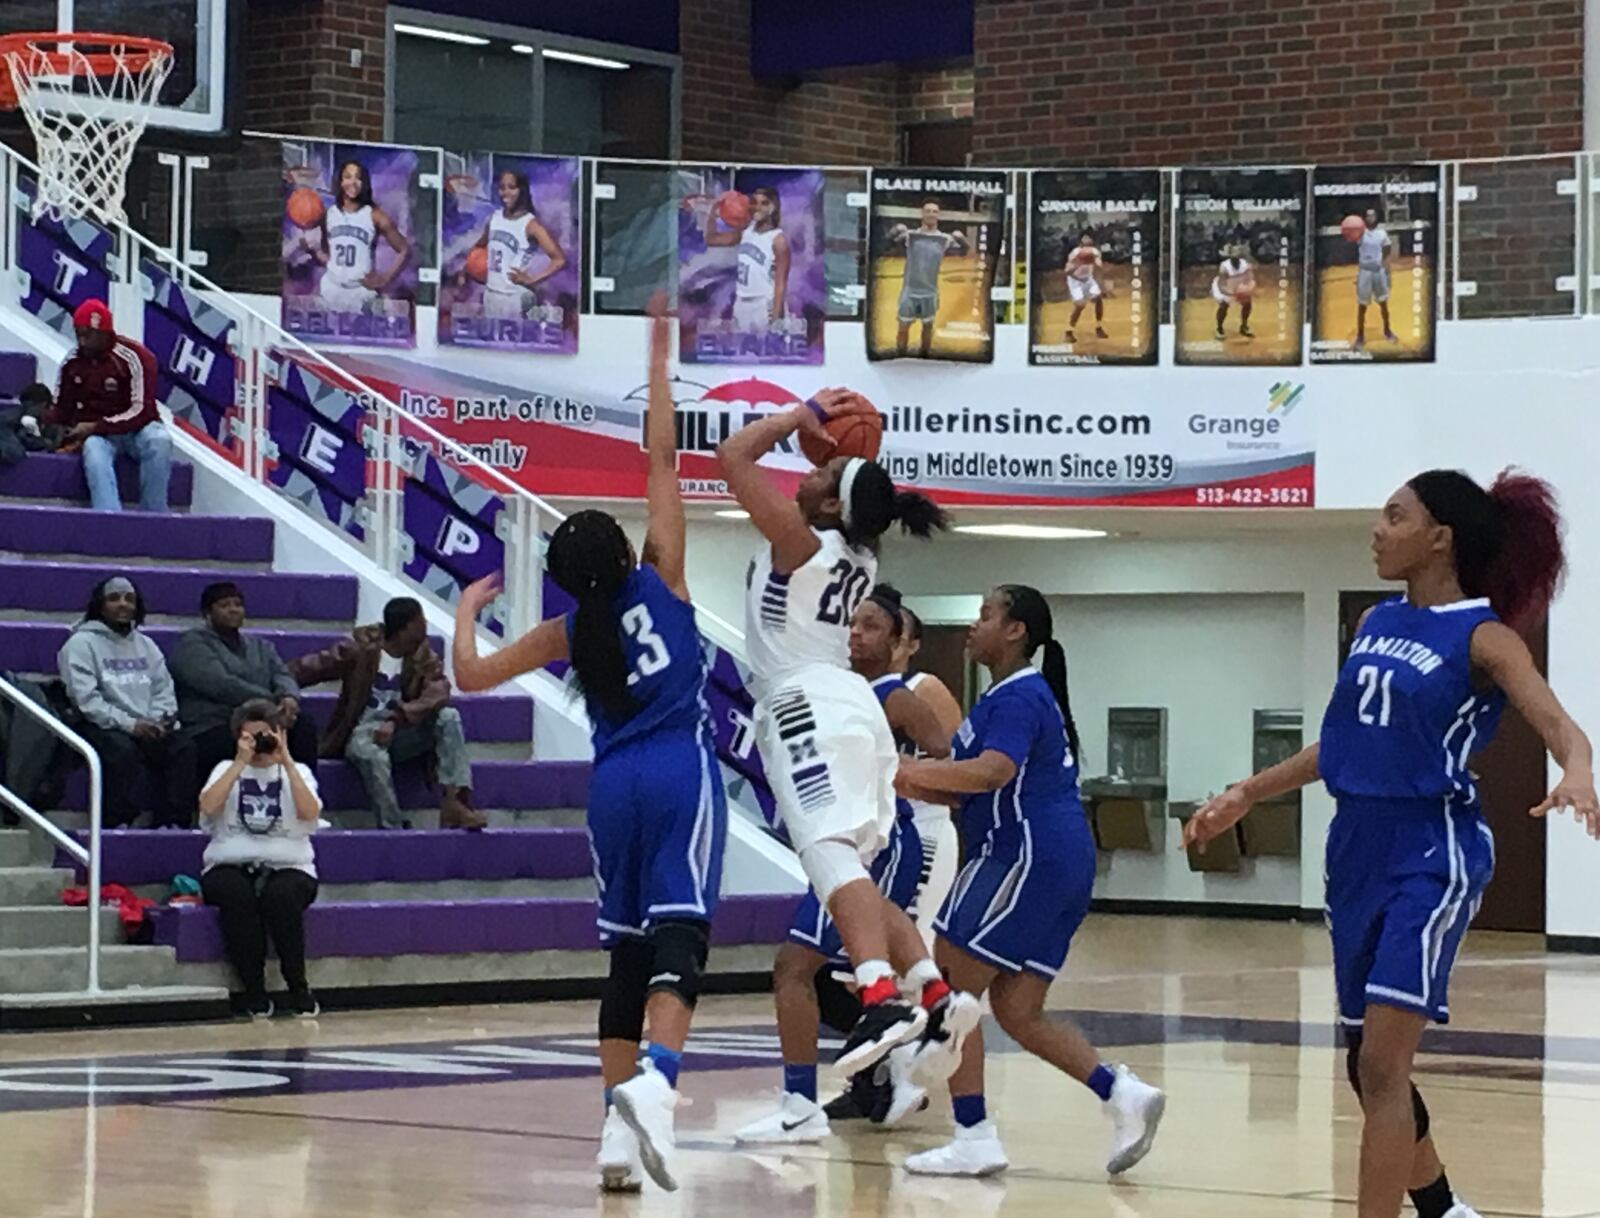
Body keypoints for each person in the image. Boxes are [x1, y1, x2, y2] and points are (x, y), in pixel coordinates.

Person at [1184, 469, 1598, 1218]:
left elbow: (1559, 722)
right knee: (1365, 1067)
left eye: (1394, 515)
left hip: (1431, 852)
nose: (1378, 529)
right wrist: (1246, 791)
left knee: (1381, 1064)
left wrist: (1577, 770)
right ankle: (1441, 1206)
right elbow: (1340, 744)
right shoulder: (1375, 622)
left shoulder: (1484, 635)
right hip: (1354, 850)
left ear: (1439, 537)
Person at [452, 302, 725, 1195]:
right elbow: (659, 454)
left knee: (625, 957)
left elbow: (472, 677)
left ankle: (615, 1137)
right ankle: (659, 1085)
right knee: (684, 937)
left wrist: (462, 613)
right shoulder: (667, 576)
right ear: (626, 546)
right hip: (680, 771)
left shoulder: (564, 634)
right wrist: (657, 352)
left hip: (611, 788)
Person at [717, 386, 978, 1098]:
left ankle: (877, 995)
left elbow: (732, 455)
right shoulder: (853, 555)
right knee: (855, 873)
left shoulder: (802, 544)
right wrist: (835, 453)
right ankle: (930, 990)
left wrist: (794, 420)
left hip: (808, 705)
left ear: (833, 505)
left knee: (830, 855)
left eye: (822, 475)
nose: (806, 471)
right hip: (847, 706)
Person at [896, 586, 1166, 1178]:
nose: (973, 626)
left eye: (986, 615)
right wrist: (905, 782)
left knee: (951, 981)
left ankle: (971, 1133)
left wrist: (912, 768)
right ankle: (1123, 1094)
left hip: (1026, 853)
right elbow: (972, 786)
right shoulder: (1008, 697)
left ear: (1016, 631)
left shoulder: (1019, 695)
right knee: (1018, 1010)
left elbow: (995, 771)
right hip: (1058, 858)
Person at [740, 586, 955, 1143]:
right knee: (838, 977)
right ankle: (897, 1061)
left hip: (881, 840)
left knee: (795, 968)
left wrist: (897, 777)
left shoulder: (896, 694)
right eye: (851, 625)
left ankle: (801, 1102)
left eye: (872, 627)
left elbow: (947, 757)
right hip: (865, 840)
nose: (857, 634)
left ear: (900, 641)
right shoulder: (839, 690)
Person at [289, 598, 482, 831]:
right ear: (405, 628)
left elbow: (438, 693)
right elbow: (313, 666)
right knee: (371, 753)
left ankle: (456, 803)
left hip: (403, 728)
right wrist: (278, 683)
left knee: (449, 716)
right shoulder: (360, 649)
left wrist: (396, 719)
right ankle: (392, 825)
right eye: (420, 620)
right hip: (362, 730)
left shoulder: (425, 657)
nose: (425, 625)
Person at [198, 699, 322, 1019]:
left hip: (290, 864)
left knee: (280, 898)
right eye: (251, 737)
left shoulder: (301, 772)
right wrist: (241, 763)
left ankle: (298, 987)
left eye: (266, 736)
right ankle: (254, 991)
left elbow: (310, 812)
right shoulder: (224, 770)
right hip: (229, 862)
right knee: (236, 897)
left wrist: (288, 763)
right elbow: (208, 806)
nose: (260, 745)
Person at [58, 576, 196, 829]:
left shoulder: (146, 645)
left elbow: (163, 688)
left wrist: (159, 720)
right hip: (100, 723)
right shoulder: (79, 644)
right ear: (100, 605)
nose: (123, 604)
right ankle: (115, 823)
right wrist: (131, 724)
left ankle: (174, 824)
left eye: (129, 599)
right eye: (114, 598)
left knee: (183, 747)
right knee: (121, 751)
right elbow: (86, 700)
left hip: (148, 723)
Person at [171, 582, 318, 798]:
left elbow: (282, 674)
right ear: (207, 613)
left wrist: (288, 697)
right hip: (213, 721)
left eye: (238, 604)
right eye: (224, 605)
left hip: (264, 718)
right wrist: (270, 704)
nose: (233, 609)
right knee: (229, 739)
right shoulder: (191, 643)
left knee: (303, 726)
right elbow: (220, 684)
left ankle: (303, 800)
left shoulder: (261, 646)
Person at [887, 592, 963, 941]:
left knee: (915, 932)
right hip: (877, 828)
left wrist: (908, 774)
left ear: (912, 645)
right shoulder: (854, 687)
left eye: (896, 637)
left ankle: (927, 995)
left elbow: (958, 765)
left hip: (923, 825)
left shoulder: (925, 688)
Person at [47, 299, 171, 513]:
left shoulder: (136, 357)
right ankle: (109, 516)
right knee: (93, 450)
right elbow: (61, 408)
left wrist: (95, 426)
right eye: (79, 334)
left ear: (104, 333)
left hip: (138, 428)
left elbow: (142, 410)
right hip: (101, 436)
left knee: (159, 441)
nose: (83, 342)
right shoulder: (71, 363)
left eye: (88, 335)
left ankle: (154, 514)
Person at [309, 160, 411, 314]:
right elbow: (329, 256)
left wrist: (385, 278)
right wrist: (312, 251)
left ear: (365, 183)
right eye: (348, 177)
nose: (353, 182)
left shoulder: (375, 215)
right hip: (331, 288)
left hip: (361, 291)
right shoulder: (328, 214)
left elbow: (404, 250)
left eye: (358, 178)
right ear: (340, 182)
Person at [475, 168, 566, 320]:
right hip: (491, 293)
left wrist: (532, 280)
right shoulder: (494, 219)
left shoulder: (530, 224)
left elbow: (559, 259)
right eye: (502, 188)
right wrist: (472, 268)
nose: (505, 193)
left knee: (512, 342)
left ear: (521, 190)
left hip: (514, 296)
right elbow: (479, 248)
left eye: (511, 187)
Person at [704, 186, 789, 336]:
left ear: (773, 207)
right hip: (741, 302)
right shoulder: (746, 232)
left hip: (763, 304)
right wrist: (713, 212)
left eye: (764, 203)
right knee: (741, 354)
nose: (757, 207)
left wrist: (775, 319)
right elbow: (711, 239)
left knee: (764, 353)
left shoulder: (778, 239)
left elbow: (780, 284)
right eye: (754, 202)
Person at [888, 201, 969, 357]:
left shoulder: (944, 239)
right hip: (910, 291)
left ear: (938, 215)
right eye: (928, 211)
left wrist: (962, 239)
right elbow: (887, 242)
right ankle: (900, 355)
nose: (931, 214)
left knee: (927, 327)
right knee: (903, 327)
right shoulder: (910, 236)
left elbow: (965, 251)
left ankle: (924, 356)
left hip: (930, 292)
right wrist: (894, 230)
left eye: (935, 211)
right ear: (922, 214)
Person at [1355, 207, 1398, 351]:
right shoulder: (1360, 233)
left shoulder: (1381, 233)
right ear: (1365, 218)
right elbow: (1349, 235)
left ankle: (1387, 331)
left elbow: (1387, 248)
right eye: (1368, 216)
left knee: (1383, 303)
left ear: (1376, 217)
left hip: (1378, 271)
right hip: (1365, 272)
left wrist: (1385, 264)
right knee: (1362, 306)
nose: (1370, 218)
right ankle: (1360, 336)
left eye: (1373, 215)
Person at [1064, 232, 1110, 344]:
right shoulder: (1074, 253)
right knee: (1080, 305)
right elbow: (1067, 272)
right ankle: (1069, 331)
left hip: (1088, 279)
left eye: (1088, 237)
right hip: (1075, 281)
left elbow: (1099, 264)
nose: (1087, 239)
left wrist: (1096, 262)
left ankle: (1098, 328)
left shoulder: (1095, 252)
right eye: (1084, 238)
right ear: (1080, 242)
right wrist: (1078, 264)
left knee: (1098, 299)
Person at [1211, 242, 1256, 341]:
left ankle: (1244, 326)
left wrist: (1247, 289)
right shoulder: (1224, 266)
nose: (1235, 258)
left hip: (1238, 286)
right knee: (1224, 305)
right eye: (1233, 256)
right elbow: (1221, 285)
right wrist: (1232, 293)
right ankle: (1219, 328)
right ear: (1230, 257)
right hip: (1224, 287)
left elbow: (1251, 280)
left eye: (1236, 256)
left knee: (1248, 303)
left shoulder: (1246, 265)